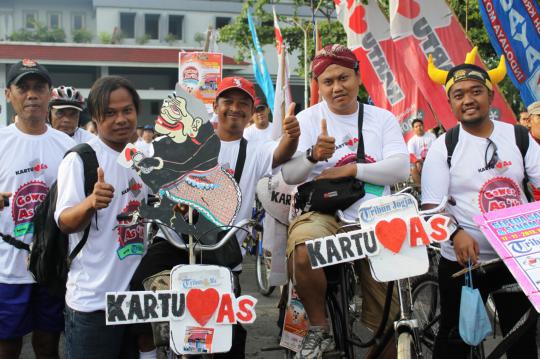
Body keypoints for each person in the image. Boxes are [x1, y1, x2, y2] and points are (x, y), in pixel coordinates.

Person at [130, 76, 300, 359]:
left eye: (243, 103)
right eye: (228, 102)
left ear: (250, 111)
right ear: (216, 106)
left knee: (231, 333)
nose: (235, 108)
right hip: (174, 242)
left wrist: (292, 136)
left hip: (222, 249)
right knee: (139, 297)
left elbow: (281, 153)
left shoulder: (256, 151)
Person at [281, 44, 409, 359]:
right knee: (302, 247)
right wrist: (313, 156)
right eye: (328, 81)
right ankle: (319, 328)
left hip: (378, 217)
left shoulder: (382, 118)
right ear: (318, 86)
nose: (337, 87)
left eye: (343, 78)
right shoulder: (308, 118)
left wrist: (352, 168)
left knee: (391, 322)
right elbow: (289, 174)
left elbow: (401, 167)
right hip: (325, 214)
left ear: (357, 77)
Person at [423, 50, 540, 358]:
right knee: (454, 340)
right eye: (458, 94)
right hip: (465, 265)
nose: (468, 99)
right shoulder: (442, 147)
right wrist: (455, 234)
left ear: (491, 96)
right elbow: (430, 208)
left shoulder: (518, 137)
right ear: (450, 104)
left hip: (516, 259)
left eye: (476, 91)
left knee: (523, 340)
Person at [54, 76, 148, 359]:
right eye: (110, 113)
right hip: (92, 303)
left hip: (131, 300)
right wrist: (90, 203)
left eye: (127, 110)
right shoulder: (81, 158)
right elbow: (64, 222)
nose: (121, 119)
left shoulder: (140, 159)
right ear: (95, 117)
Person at [0, 59, 76, 358]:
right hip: (8, 265)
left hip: (53, 263)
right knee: (7, 345)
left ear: (49, 94)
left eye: (38, 88)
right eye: (23, 87)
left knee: (47, 343)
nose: (31, 94)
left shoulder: (66, 146)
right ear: (9, 94)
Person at [407, 118, 436, 185]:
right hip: (419, 161)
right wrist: (417, 162)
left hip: (432, 158)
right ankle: (421, 188)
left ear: (423, 126)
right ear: (413, 129)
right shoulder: (411, 141)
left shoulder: (431, 136)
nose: (419, 128)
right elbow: (411, 155)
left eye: (420, 125)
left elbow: (436, 149)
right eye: (416, 127)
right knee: (413, 168)